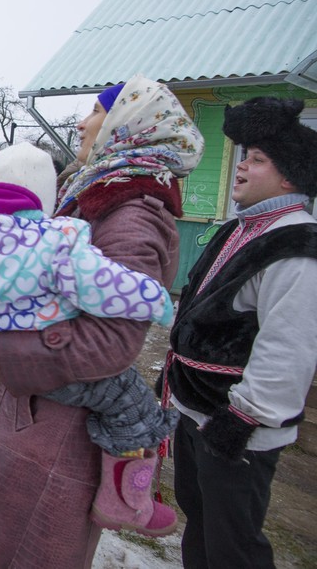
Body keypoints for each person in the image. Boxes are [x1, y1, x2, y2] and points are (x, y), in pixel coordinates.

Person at [0, 75, 204, 567]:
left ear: (130, 124)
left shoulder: (131, 211)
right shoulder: (97, 191)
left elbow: (111, 343)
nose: (81, 123)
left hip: (61, 430)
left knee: (35, 554)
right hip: (40, 415)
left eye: (98, 112)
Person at [162, 97, 317, 568]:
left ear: (289, 175)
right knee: (202, 526)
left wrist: (243, 420)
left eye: (256, 159)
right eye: (243, 156)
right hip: (198, 410)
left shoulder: (297, 247)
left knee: (234, 547)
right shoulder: (243, 227)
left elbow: (287, 348)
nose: (241, 167)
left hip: (234, 427)